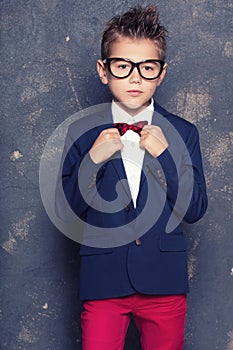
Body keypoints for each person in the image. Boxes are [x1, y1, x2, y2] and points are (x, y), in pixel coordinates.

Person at [58, 5, 208, 350]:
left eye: (147, 67)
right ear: (103, 70)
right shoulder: (81, 133)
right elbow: (65, 213)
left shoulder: (183, 133)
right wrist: (92, 159)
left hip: (164, 282)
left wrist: (166, 155)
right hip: (103, 281)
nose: (136, 78)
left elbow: (196, 207)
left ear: (161, 73)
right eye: (123, 66)